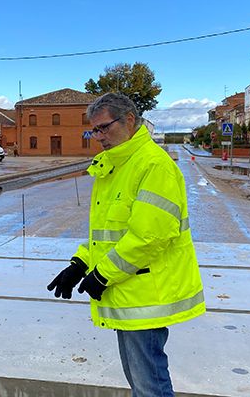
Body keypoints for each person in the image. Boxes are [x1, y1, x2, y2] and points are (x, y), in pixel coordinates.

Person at [46, 93, 205, 397]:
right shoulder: (116, 165)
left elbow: (150, 236)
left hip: (146, 295)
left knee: (149, 387)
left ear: (129, 120)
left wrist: (102, 274)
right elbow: (107, 233)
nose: (98, 137)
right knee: (139, 383)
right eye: (94, 130)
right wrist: (80, 263)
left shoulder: (153, 166)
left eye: (104, 128)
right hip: (128, 292)